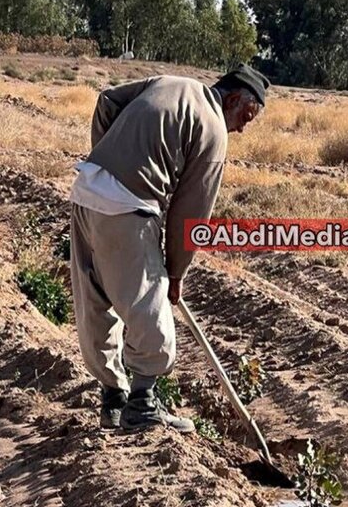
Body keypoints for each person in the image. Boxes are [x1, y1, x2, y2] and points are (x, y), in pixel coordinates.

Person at [69, 64, 270, 433]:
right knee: (150, 304)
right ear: (235, 98)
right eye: (247, 115)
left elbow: (107, 102)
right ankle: (142, 402)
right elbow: (191, 215)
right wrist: (175, 273)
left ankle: (113, 398)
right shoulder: (213, 129)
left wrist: (109, 158)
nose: (242, 126)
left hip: (86, 190)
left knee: (95, 296)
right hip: (128, 206)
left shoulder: (169, 83)